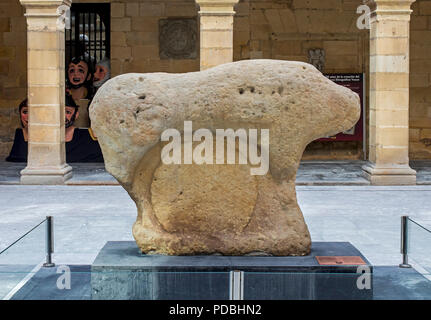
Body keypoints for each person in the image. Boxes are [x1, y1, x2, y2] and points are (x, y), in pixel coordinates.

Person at [65, 94, 104, 163]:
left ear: (76, 114)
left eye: (67, 112)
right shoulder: (41, 140)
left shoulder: (93, 139)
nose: (61, 115)